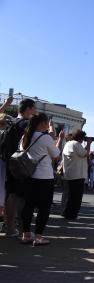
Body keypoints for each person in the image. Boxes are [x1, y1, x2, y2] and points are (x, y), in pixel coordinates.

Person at [21, 113, 63, 246]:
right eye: (47, 123)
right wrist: (58, 140)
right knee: (44, 208)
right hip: (44, 176)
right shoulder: (45, 138)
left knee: (28, 206)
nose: (48, 126)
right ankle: (39, 236)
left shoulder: (25, 136)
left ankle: (26, 234)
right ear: (42, 124)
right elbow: (56, 156)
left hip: (29, 175)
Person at [3, 98, 36, 237]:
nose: (35, 111)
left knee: (11, 195)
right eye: (34, 108)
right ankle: (21, 230)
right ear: (28, 109)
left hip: (9, 162)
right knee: (21, 197)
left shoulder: (11, 122)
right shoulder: (26, 124)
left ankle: (10, 227)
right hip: (21, 164)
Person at [61, 130, 92, 220]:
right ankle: (71, 214)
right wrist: (89, 144)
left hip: (69, 174)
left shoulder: (68, 144)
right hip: (77, 175)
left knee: (67, 195)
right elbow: (85, 154)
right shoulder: (76, 144)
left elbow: (81, 153)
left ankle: (65, 212)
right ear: (81, 138)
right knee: (75, 197)